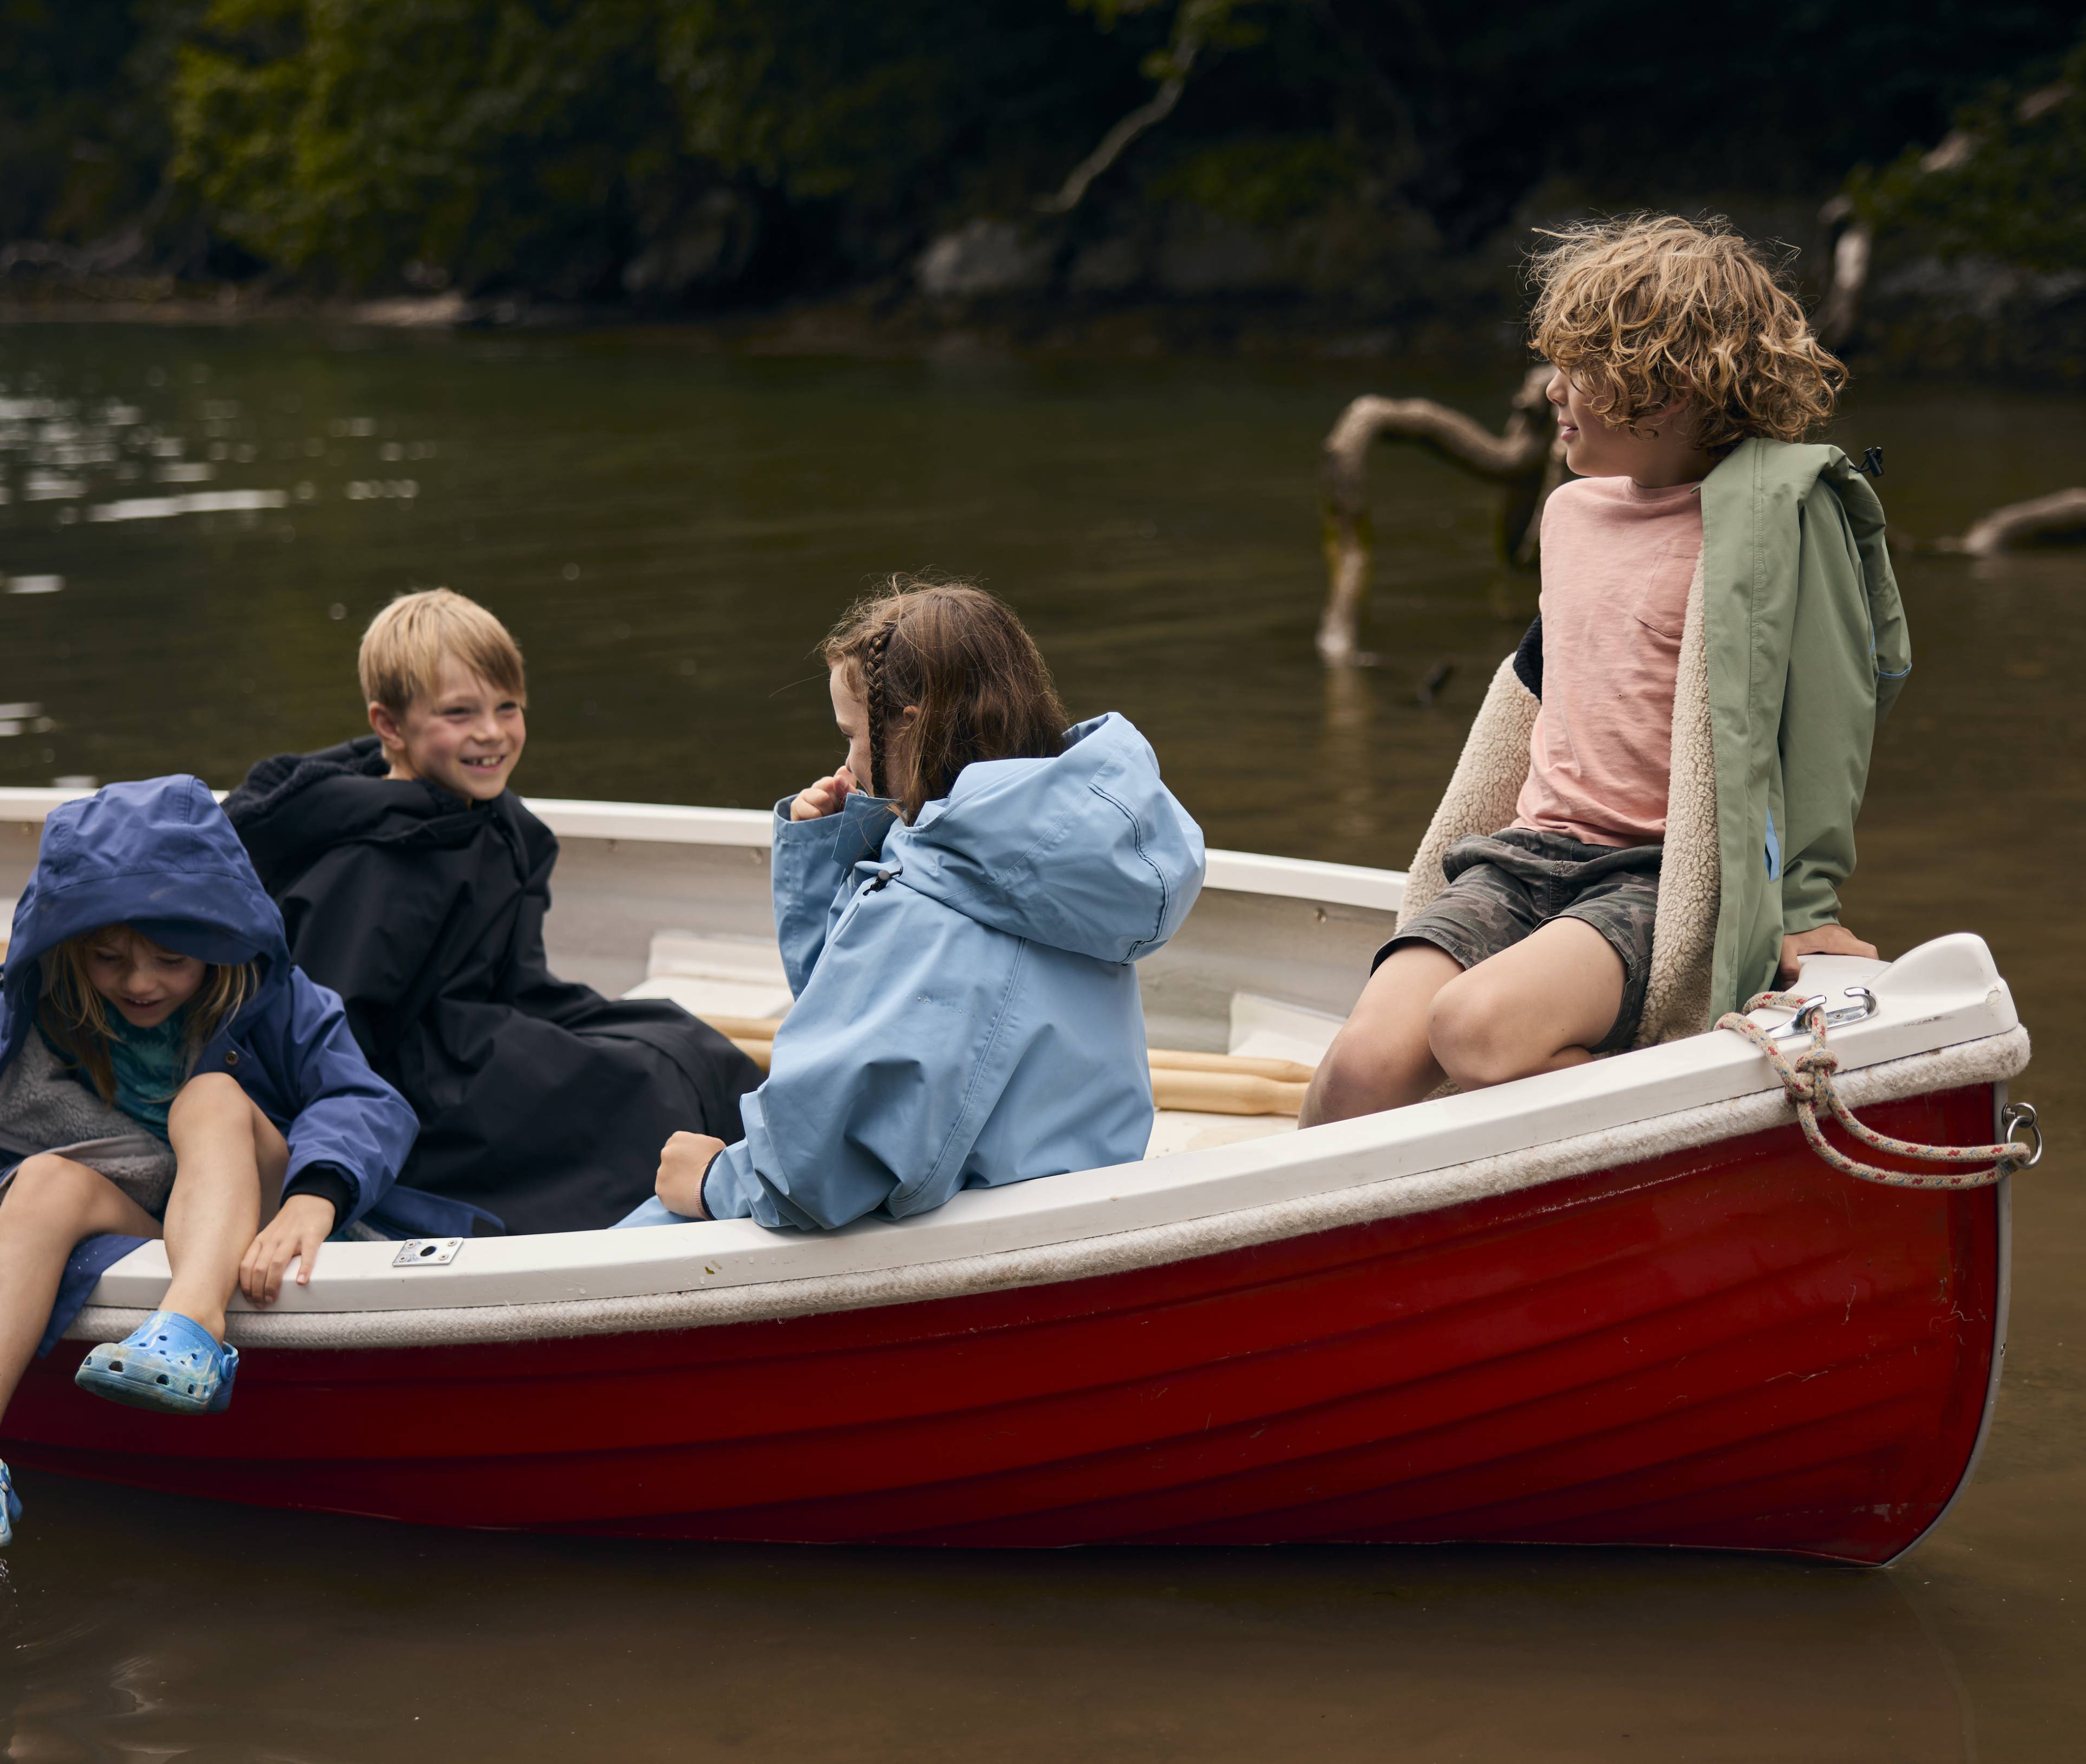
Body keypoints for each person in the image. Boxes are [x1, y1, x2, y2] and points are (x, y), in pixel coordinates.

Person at [1301, 214, 1908, 1126]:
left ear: (1667, 393)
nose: (1552, 391)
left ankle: (1680, 1115)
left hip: (1654, 880)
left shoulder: (1772, 524)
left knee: (1475, 1033)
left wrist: (1806, 905)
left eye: (1578, 371)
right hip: (1524, 860)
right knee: (1358, 1072)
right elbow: (1541, 687)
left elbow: (1832, 716)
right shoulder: (1573, 514)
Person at [0, 775, 431, 1581]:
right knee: (43, 1181)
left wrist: (313, 1194)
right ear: (64, 945)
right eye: (108, 956)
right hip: (142, 1211)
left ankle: (194, 1329)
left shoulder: (275, 997)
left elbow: (365, 1099)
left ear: (220, 943)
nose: (140, 981)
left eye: (171, 958)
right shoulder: (19, 1006)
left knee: (211, 1094)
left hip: (249, 1203)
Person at [624, 578, 1206, 1230]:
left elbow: (813, 1169)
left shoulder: (930, 910)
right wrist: (836, 855)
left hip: (956, 1235)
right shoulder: (1066, 864)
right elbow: (851, 1021)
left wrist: (710, 1181)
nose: (846, 765)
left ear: (909, 724)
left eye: (853, 736)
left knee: (645, 1227)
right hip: (1057, 1206)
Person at [224, 589, 759, 1235]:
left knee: (685, 1040)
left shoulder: (491, 819)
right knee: (637, 1088)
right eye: (459, 712)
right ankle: (679, 1210)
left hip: (485, 1021)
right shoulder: (372, 867)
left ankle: (751, 1176)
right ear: (390, 726)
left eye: (508, 707)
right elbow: (336, 1037)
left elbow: (517, 973)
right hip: (412, 1082)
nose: (492, 733)